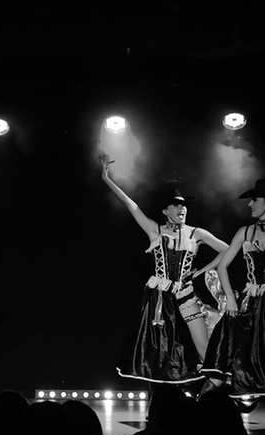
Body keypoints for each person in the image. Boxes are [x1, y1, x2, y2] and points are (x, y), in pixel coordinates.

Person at [99, 154, 229, 386]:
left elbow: (227, 250)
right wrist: (107, 179)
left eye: (183, 205)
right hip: (159, 298)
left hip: (185, 295)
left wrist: (202, 272)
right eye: (176, 205)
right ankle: (163, 398)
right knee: (158, 353)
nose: (181, 208)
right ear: (165, 211)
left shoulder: (196, 233)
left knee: (205, 350)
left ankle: (212, 396)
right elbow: (131, 206)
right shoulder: (155, 230)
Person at [198, 178, 265, 410]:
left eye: (255, 199)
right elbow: (222, 266)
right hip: (251, 306)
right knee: (224, 354)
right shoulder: (245, 232)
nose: (250, 204)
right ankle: (197, 410)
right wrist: (230, 297)